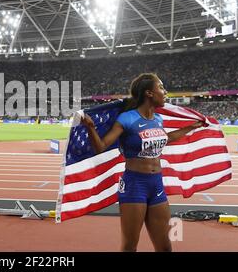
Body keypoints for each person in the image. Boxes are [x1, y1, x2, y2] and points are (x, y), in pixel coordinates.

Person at [80, 73, 204, 252]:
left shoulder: (158, 119)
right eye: (161, 87)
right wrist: (90, 128)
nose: (165, 92)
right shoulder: (127, 119)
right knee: (130, 247)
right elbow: (101, 147)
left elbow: (165, 139)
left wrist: (189, 128)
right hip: (134, 185)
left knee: (165, 247)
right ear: (149, 93)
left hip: (156, 185)